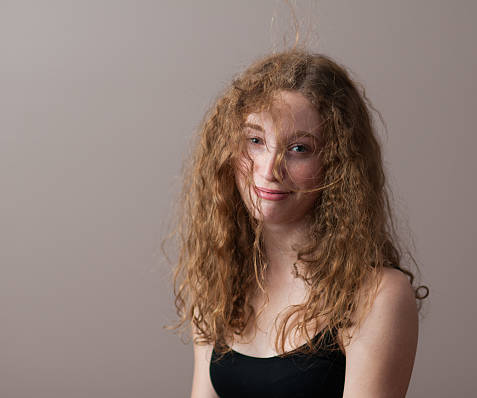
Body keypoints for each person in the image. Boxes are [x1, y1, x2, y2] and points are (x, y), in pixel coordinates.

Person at [169, 49, 429, 397]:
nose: (269, 170)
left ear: (337, 164)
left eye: (299, 149)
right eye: (256, 141)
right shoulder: (220, 280)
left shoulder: (378, 296)